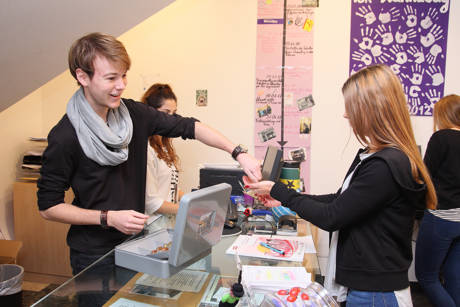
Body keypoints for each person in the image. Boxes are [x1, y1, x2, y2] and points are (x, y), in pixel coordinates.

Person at [37, 32, 261, 275]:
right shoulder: (65, 136)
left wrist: (238, 152)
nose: (121, 85)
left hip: (137, 243)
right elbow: (48, 207)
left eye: (123, 75)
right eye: (111, 78)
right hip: (94, 256)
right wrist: (108, 218)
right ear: (83, 76)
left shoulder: (134, 114)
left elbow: (189, 126)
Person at [244, 64, 437, 306]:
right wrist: (284, 197)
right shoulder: (376, 156)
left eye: (351, 107)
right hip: (369, 288)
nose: (346, 115)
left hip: (376, 294)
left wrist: (279, 191)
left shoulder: (385, 165)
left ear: (371, 109)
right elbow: (340, 199)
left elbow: (332, 216)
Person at [415, 94, 460, 307]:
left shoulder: (441, 138)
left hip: (441, 217)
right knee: (454, 275)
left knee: (427, 277)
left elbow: (425, 177)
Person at [140, 83, 183, 223]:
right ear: (151, 112)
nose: (171, 119)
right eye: (166, 113)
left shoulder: (164, 145)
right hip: (153, 225)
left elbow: (170, 188)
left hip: (168, 220)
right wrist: (187, 209)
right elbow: (151, 202)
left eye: (174, 113)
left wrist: (192, 200)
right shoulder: (145, 148)